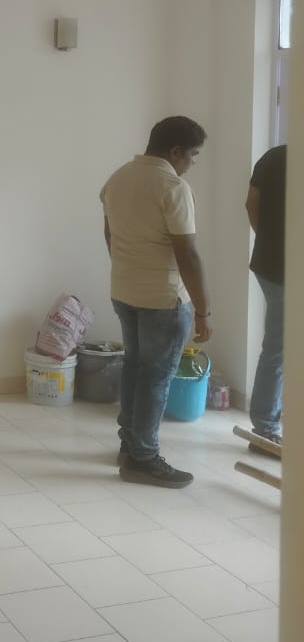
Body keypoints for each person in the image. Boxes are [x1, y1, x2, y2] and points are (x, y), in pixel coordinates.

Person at [100, 117, 212, 488]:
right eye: (192, 155)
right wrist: (203, 310)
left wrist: (128, 269)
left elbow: (110, 233)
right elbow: (188, 254)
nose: (192, 163)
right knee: (155, 378)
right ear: (175, 152)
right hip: (163, 300)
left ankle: (129, 444)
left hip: (125, 291)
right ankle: (143, 459)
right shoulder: (173, 187)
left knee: (135, 368)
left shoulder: (118, 178)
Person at [245, 144, 287, 445]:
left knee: (278, 347)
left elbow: (251, 204)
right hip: (283, 270)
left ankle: (265, 424)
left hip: (269, 264)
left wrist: (269, 240)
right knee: (279, 349)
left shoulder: (274, 156)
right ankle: (265, 428)